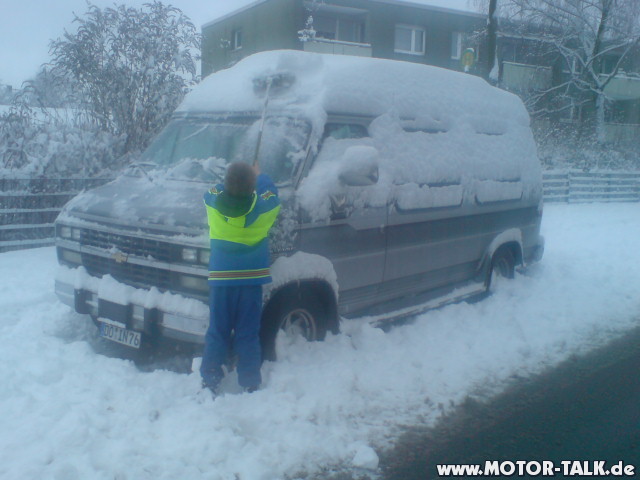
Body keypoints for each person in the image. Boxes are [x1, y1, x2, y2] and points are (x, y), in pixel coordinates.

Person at [200, 161, 280, 393]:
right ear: (252, 186)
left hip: (222, 279)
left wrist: (234, 179)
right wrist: (259, 175)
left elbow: (213, 189)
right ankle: (250, 381)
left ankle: (210, 380)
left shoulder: (213, 202)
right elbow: (271, 194)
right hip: (250, 281)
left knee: (217, 331)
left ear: (227, 183)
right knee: (248, 332)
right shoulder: (263, 208)